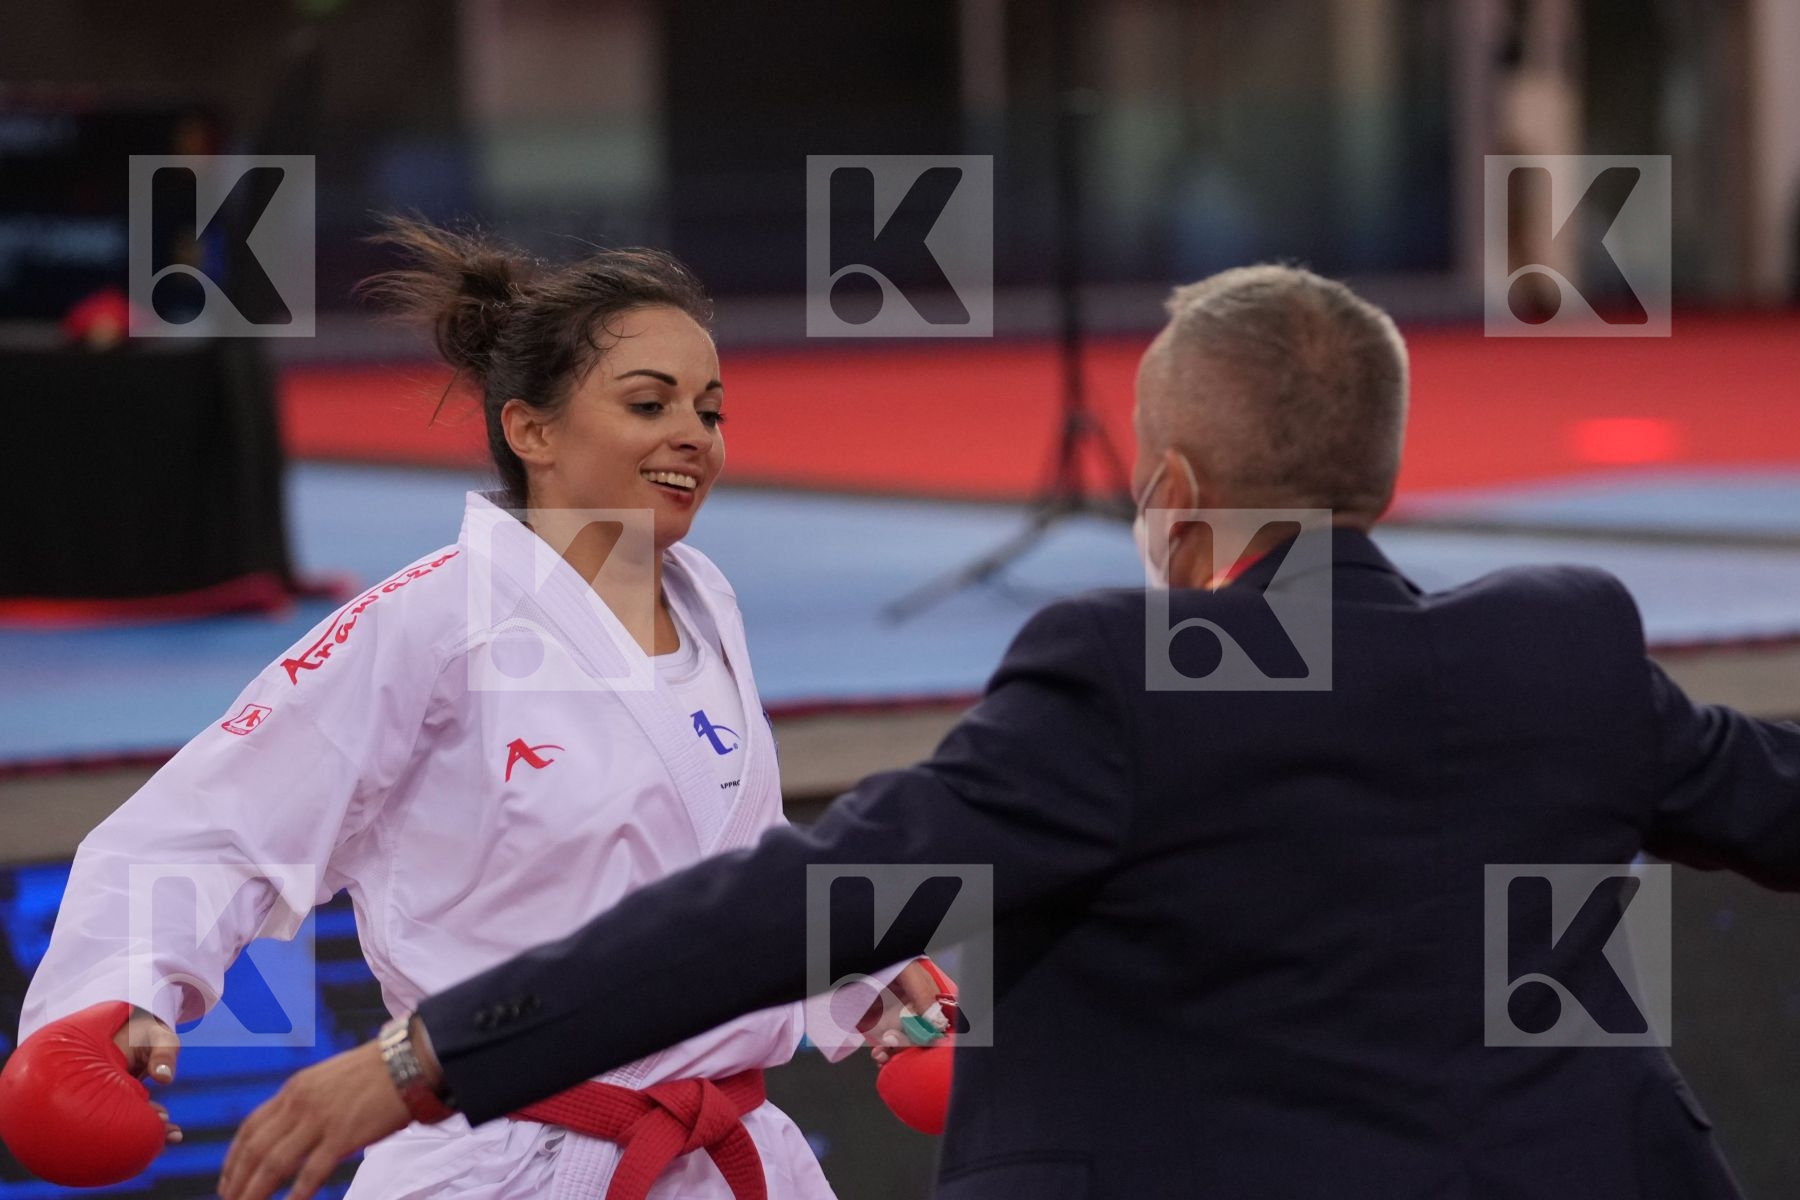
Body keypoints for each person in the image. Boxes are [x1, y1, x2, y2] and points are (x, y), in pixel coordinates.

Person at [222, 264, 1793, 1200]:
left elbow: (787, 907)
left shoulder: (1125, 683)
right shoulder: (1567, 651)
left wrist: (429, 1058)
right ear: (1378, 469)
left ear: (1170, 493)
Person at [10, 219, 939, 1198]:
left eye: (709, 410)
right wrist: (112, 997)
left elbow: (728, 865)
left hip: (729, 1149)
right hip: (505, 1157)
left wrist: (866, 970)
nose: (692, 436)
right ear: (530, 429)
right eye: (648, 402)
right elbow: (208, 828)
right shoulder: (430, 625)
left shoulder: (709, 601)